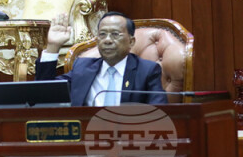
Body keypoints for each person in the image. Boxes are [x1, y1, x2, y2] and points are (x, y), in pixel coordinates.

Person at [36, 11, 167, 106]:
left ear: (131, 42)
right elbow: (43, 94)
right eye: (102, 34)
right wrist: (53, 46)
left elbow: (159, 114)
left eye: (115, 34)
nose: (107, 40)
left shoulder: (146, 71)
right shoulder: (82, 68)